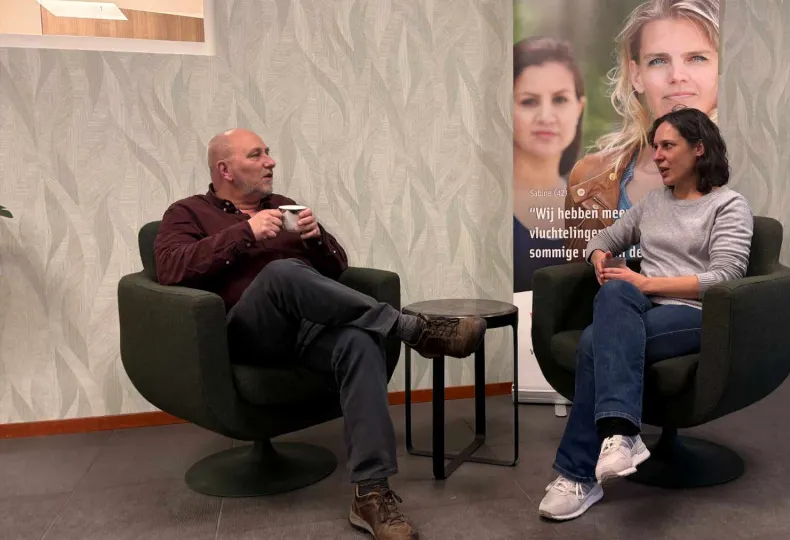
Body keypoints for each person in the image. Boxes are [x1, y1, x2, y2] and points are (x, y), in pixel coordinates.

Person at [153, 128, 488, 540]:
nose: (270, 161)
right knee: (280, 273)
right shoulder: (187, 213)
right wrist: (246, 233)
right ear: (225, 169)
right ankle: (410, 328)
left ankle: (371, 492)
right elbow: (170, 267)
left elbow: (336, 271)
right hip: (248, 336)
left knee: (360, 341)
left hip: (310, 332)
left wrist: (317, 240)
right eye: (256, 155)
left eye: (268, 153)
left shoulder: (282, 206)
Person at [538, 107, 754, 521]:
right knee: (616, 288)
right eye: (655, 147)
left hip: (698, 313)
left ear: (699, 149)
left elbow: (725, 277)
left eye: (668, 146)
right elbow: (603, 236)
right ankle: (621, 437)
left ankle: (579, 474)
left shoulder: (729, 206)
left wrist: (645, 284)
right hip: (642, 307)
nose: (657, 155)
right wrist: (600, 256)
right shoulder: (654, 203)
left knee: (590, 341)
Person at [563, 0, 721, 259]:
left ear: (722, 70)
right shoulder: (589, 177)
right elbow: (569, 288)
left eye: (697, 58)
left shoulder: (750, 173)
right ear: (637, 75)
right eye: (659, 61)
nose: (677, 76)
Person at [512, 36, 586, 292]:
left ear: (579, 107)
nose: (546, 116)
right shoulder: (484, 205)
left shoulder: (595, 205)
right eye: (529, 101)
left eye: (560, 99)